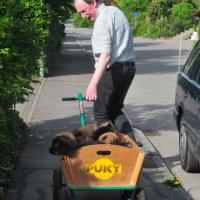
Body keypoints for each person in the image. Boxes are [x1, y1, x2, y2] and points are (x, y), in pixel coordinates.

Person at [74, 0, 138, 142]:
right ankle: (133, 149)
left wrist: (93, 84)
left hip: (113, 70)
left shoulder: (102, 20)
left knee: (100, 114)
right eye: (80, 13)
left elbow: (105, 56)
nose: (83, 16)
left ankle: (111, 154)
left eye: (84, 11)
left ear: (94, 2)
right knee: (115, 110)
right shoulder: (116, 12)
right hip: (129, 69)